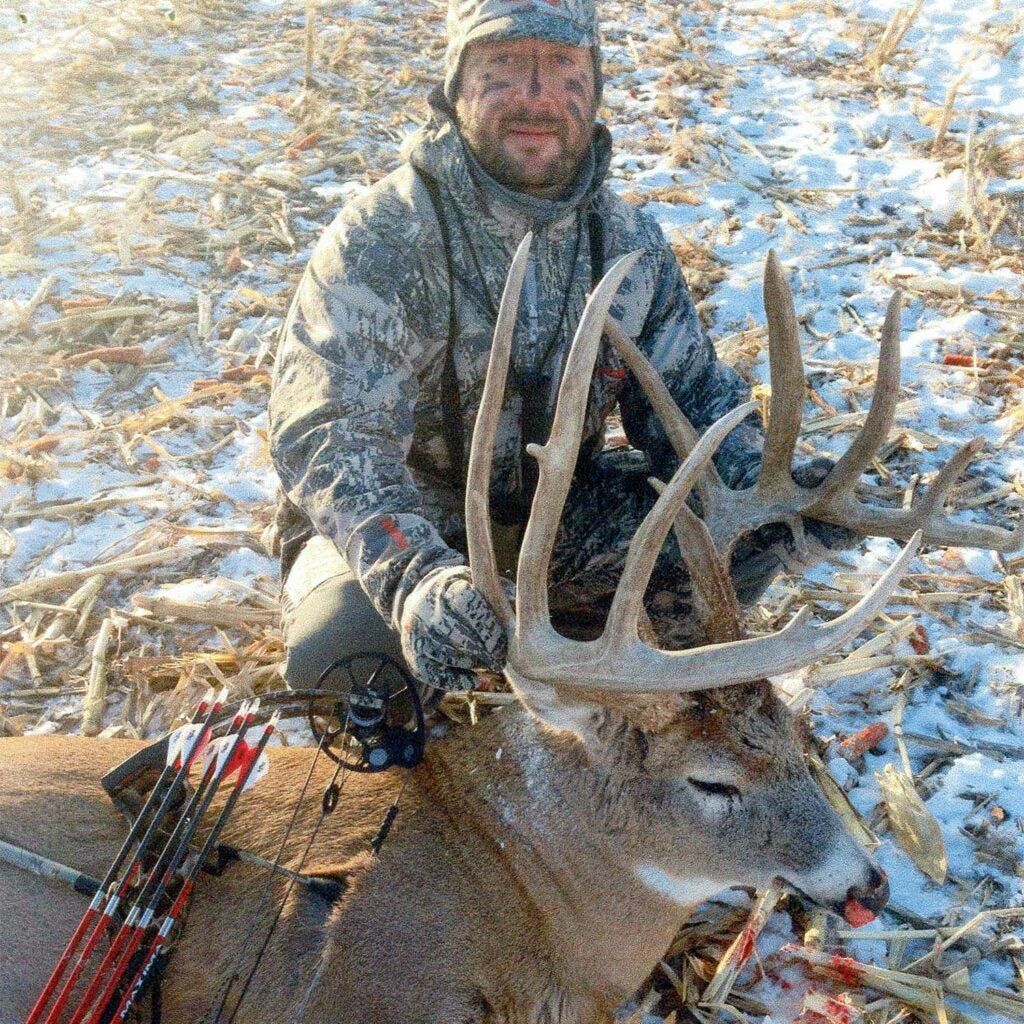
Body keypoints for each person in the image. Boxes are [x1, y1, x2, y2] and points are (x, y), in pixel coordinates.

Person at [267, 0, 846, 697]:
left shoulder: (626, 244)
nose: (536, 97)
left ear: (595, 88)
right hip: (411, 524)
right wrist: (415, 580)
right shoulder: (384, 238)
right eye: (505, 65)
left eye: (562, 66)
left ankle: (602, 665)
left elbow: (690, 405)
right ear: (456, 85)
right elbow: (329, 434)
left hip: (557, 521)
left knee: (736, 538)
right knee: (349, 661)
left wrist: (770, 493)